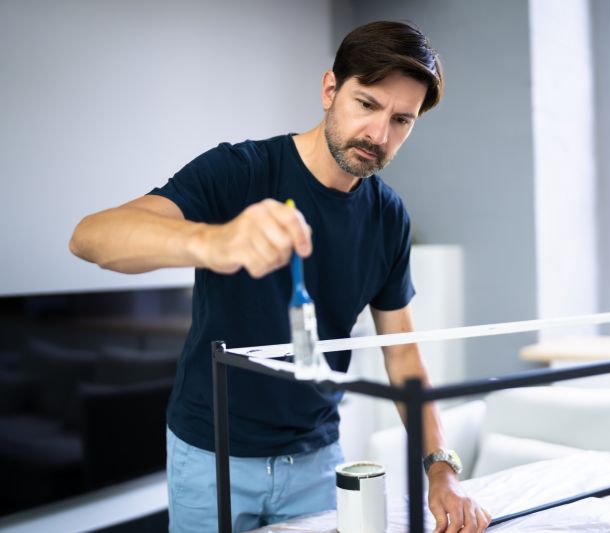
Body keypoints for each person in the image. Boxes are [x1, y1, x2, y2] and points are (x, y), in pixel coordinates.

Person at [70, 20, 490, 533]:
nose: (379, 135)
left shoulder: (388, 217)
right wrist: (211, 241)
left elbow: (402, 351)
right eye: (367, 104)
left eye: (402, 120)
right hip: (211, 453)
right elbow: (92, 237)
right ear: (330, 89)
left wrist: (441, 469)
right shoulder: (241, 170)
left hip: (316, 460)